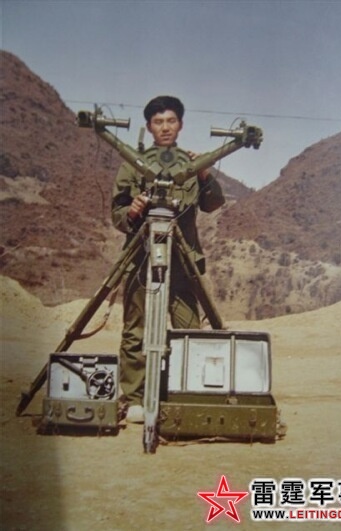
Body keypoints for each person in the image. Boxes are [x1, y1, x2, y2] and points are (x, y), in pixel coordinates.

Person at [111, 95, 225, 423]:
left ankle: (184, 391)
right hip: (141, 257)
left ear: (180, 125)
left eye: (171, 121)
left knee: (188, 329)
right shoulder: (132, 163)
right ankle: (135, 397)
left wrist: (204, 174)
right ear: (149, 127)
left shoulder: (192, 164)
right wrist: (132, 210)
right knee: (136, 329)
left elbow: (213, 204)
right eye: (158, 122)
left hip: (182, 261)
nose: (165, 127)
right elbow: (117, 213)